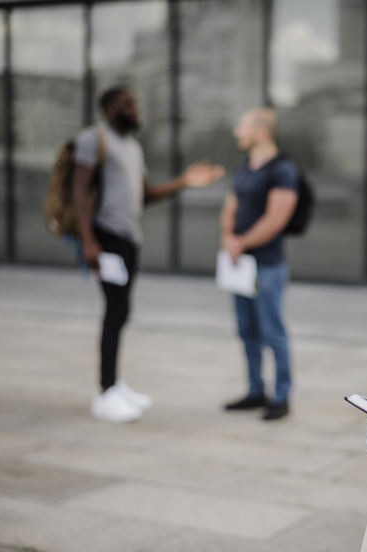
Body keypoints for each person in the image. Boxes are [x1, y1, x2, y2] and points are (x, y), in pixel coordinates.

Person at [73, 86, 224, 423]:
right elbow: (78, 192)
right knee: (115, 311)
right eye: (128, 104)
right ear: (111, 109)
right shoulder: (92, 138)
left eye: (136, 103)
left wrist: (185, 181)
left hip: (128, 239)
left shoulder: (132, 146)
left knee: (122, 311)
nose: (136, 109)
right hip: (105, 238)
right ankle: (104, 393)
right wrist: (88, 241)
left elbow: (146, 194)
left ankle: (115, 384)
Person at [220, 108, 299, 421]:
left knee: (273, 332)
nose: (238, 133)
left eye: (243, 127)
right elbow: (231, 205)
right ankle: (255, 391)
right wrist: (228, 237)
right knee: (246, 330)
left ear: (261, 132)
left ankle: (281, 396)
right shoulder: (245, 168)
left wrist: (241, 242)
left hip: (267, 266)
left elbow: (276, 219)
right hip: (240, 266)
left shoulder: (283, 170)